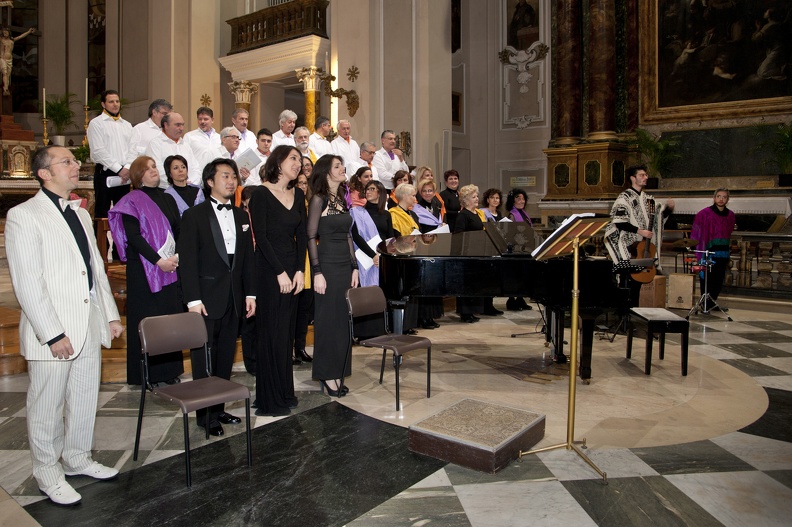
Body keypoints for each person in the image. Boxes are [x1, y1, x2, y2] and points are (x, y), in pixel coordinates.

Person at [5, 146, 123, 506]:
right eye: (67, 161)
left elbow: (95, 270)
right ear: (43, 173)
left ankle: (77, 458)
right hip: (54, 328)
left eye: (75, 160)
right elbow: (28, 282)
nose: (76, 165)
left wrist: (110, 313)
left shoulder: (81, 214)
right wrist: (52, 333)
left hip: (87, 320)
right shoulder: (23, 216)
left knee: (86, 397)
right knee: (47, 405)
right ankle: (47, 472)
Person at [177, 158, 255, 435]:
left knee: (224, 357)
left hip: (234, 297)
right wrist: (193, 300)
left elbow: (246, 260)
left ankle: (219, 408)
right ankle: (204, 415)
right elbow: (187, 262)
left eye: (234, 176)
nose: (231, 181)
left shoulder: (241, 216)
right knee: (204, 359)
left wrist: (251, 294)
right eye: (225, 176)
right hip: (206, 299)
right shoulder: (194, 216)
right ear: (210, 181)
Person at [108, 156, 183, 386]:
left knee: (169, 319)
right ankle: (146, 375)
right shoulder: (130, 200)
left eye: (154, 167)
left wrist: (176, 256)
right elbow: (134, 238)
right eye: (147, 168)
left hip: (171, 266)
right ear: (138, 175)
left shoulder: (168, 198)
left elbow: (179, 230)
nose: (153, 171)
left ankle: (169, 372)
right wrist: (158, 261)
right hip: (144, 270)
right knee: (148, 319)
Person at [249, 146, 307, 416]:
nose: (298, 164)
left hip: (291, 271)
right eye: (293, 159)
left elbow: (302, 237)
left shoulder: (298, 195)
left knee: (285, 335)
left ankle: (285, 391)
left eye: (300, 160)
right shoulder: (260, 193)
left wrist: (298, 271)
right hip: (269, 271)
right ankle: (269, 398)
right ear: (278, 162)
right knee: (271, 333)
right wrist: (279, 272)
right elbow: (261, 238)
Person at [308, 155, 359, 397]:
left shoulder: (341, 199)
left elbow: (348, 236)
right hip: (326, 265)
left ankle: (339, 369)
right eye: (337, 166)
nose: (342, 168)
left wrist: (355, 266)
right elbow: (310, 237)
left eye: (342, 164)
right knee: (327, 321)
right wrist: (317, 271)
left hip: (344, 267)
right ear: (326, 172)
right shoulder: (318, 200)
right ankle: (327, 374)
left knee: (342, 321)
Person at [604, 164, 675, 306]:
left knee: (638, 283)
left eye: (646, 175)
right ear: (633, 178)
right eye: (642, 175)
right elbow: (619, 222)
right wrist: (640, 231)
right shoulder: (624, 197)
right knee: (629, 282)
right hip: (628, 246)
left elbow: (658, 217)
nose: (646, 177)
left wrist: (669, 209)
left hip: (642, 247)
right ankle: (624, 312)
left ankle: (633, 311)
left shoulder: (648, 199)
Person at [86, 90, 134, 219]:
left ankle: (119, 240)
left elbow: (133, 149)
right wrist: (118, 169)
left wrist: (127, 167)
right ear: (103, 104)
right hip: (106, 172)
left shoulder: (127, 125)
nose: (115, 104)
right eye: (111, 101)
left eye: (117, 101)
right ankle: (101, 240)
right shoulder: (96, 123)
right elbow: (98, 151)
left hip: (125, 173)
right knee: (102, 212)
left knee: (123, 213)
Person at [691, 188, 736, 311]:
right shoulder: (704, 214)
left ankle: (712, 302)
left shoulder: (731, 215)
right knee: (708, 278)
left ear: (728, 199)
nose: (721, 199)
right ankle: (705, 303)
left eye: (724, 197)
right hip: (708, 250)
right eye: (719, 196)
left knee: (719, 278)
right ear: (714, 198)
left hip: (723, 251)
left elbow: (729, 231)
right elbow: (696, 230)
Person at [351, 180, 394, 287]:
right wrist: (373, 255)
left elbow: (390, 239)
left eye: (372, 189)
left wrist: (384, 256)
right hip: (365, 257)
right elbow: (356, 237)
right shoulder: (358, 212)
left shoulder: (386, 214)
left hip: (382, 258)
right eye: (367, 189)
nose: (368, 191)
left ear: (380, 193)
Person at [454, 184, 488, 322]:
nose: (477, 199)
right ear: (466, 200)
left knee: (474, 284)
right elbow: (458, 234)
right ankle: (465, 313)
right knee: (465, 284)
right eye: (473, 197)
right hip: (466, 253)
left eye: (476, 196)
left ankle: (472, 311)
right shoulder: (463, 215)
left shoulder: (477, 213)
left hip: (477, 251)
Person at [144, 112, 202, 189]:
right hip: (165, 191)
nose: (181, 128)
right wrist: (177, 185)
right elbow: (158, 171)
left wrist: (190, 184)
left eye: (182, 125)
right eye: (177, 125)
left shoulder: (185, 145)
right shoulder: (155, 144)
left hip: (188, 189)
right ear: (166, 125)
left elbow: (195, 168)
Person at [292, 172, 314, 365]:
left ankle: (300, 347)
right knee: (291, 311)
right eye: (299, 183)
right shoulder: (290, 206)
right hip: (295, 263)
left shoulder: (311, 206)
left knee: (304, 312)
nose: (302, 186)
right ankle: (288, 349)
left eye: (305, 183)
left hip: (309, 263)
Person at [505, 188, 533, 311]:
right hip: (516, 248)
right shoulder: (512, 215)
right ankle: (511, 301)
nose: (521, 201)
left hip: (525, 249)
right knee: (514, 276)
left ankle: (520, 299)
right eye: (518, 198)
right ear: (512, 201)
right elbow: (510, 233)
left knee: (523, 275)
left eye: (523, 198)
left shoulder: (524, 214)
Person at [1, 25, 36, 95]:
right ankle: (5, 89)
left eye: (6, 33)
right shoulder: (1, 40)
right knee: (4, 72)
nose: (5, 34)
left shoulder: (12, 40)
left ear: (9, 33)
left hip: (9, 59)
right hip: (3, 58)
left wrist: (28, 32)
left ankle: (6, 89)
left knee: (8, 75)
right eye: (4, 33)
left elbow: (21, 36)